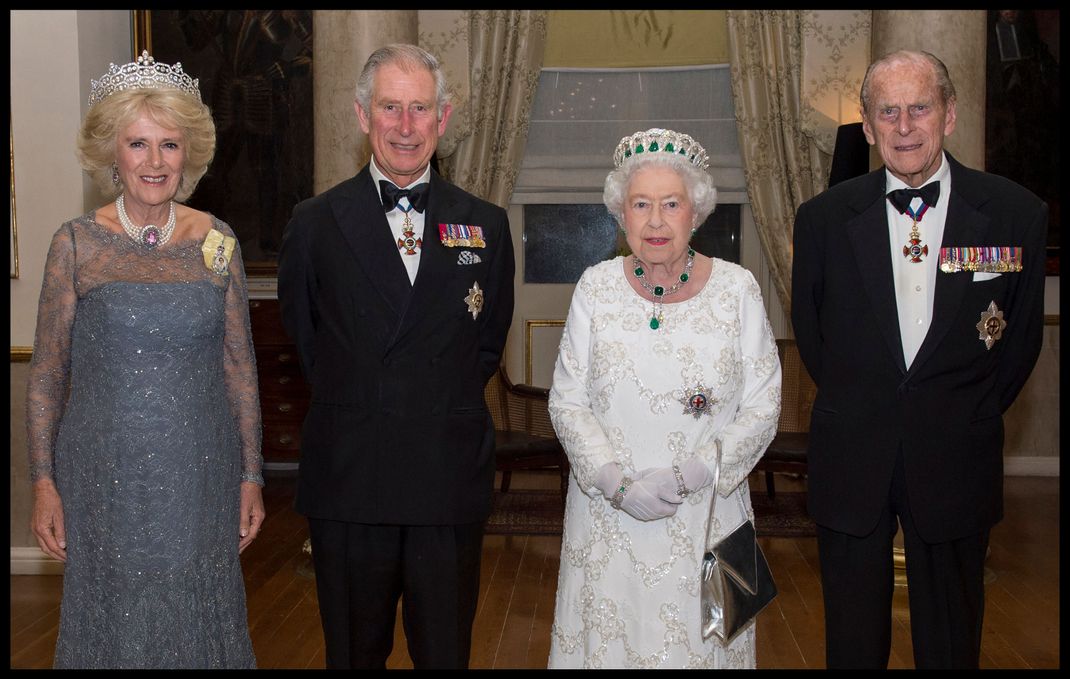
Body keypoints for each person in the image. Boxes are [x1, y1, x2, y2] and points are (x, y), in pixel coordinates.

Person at [791, 50, 1047, 669]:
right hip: (854, 454)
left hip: (957, 453)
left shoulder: (1014, 214)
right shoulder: (822, 220)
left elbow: (1018, 344)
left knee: (954, 643)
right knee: (850, 644)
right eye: (888, 111)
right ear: (868, 123)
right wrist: (871, 401)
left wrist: (962, 410)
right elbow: (812, 333)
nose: (904, 126)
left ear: (949, 114)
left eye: (919, 108)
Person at [276, 43, 515, 669]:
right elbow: (309, 343)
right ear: (362, 114)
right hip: (353, 479)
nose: (406, 127)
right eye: (390, 108)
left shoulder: (485, 224)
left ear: (444, 117)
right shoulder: (315, 223)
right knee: (354, 655)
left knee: (445, 655)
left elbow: (485, 343)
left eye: (420, 108)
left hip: (446, 478)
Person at [26, 51, 264, 669]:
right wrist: (44, 482)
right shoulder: (75, 245)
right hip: (102, 480)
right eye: (138, 144)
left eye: (169, 145)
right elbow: (48, 373)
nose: (155, 162)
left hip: (200, 478)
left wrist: (252, 475)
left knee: (193, 617)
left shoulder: (217, 241)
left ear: (190, 154)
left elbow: (239, 366)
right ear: (113, 153)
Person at [547, 128, 782, 669]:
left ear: (695, 212)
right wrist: (616, 482)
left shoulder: (739, 289)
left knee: (710, 653)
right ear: (620, 214)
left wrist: (692, 474)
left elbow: (764, 405)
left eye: (671, 204)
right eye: (641, 204)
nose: (655, 221)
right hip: (609, 516)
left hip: (712, 516)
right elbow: (567, 401)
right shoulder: (595, 287)